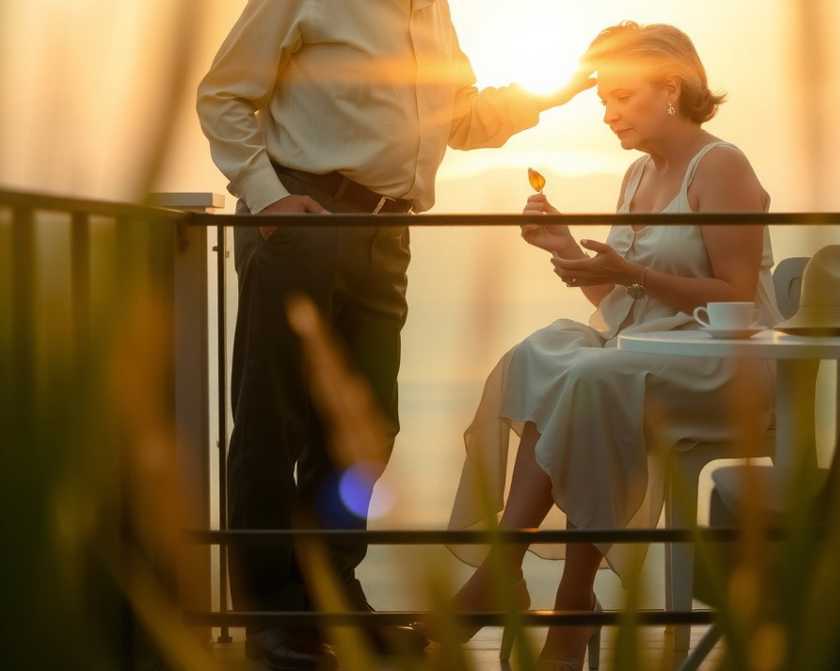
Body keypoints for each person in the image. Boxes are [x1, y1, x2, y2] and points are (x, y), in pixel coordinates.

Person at [196, 1, 594, 668]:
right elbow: (222, 94)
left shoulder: (432, 10)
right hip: (303, 220)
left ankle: (332, 598)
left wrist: (557, 89)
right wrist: (267, 196)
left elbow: (459, 117)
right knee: (272, 425)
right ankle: (273, 620)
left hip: (387, 235)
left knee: (371, 427)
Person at [445, 21, 783, 670]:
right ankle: (507, 572)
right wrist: (566, 246)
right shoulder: (636, 174)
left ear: (671, 88)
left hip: (721, 360)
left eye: (622, 97)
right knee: (542, 354)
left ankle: (565, 601)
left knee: (593, 379)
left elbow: (736, 294)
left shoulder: (722, 165)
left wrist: (632, 272)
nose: (609, 114)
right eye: (604, 101)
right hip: (648, 348)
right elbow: (623, 306)